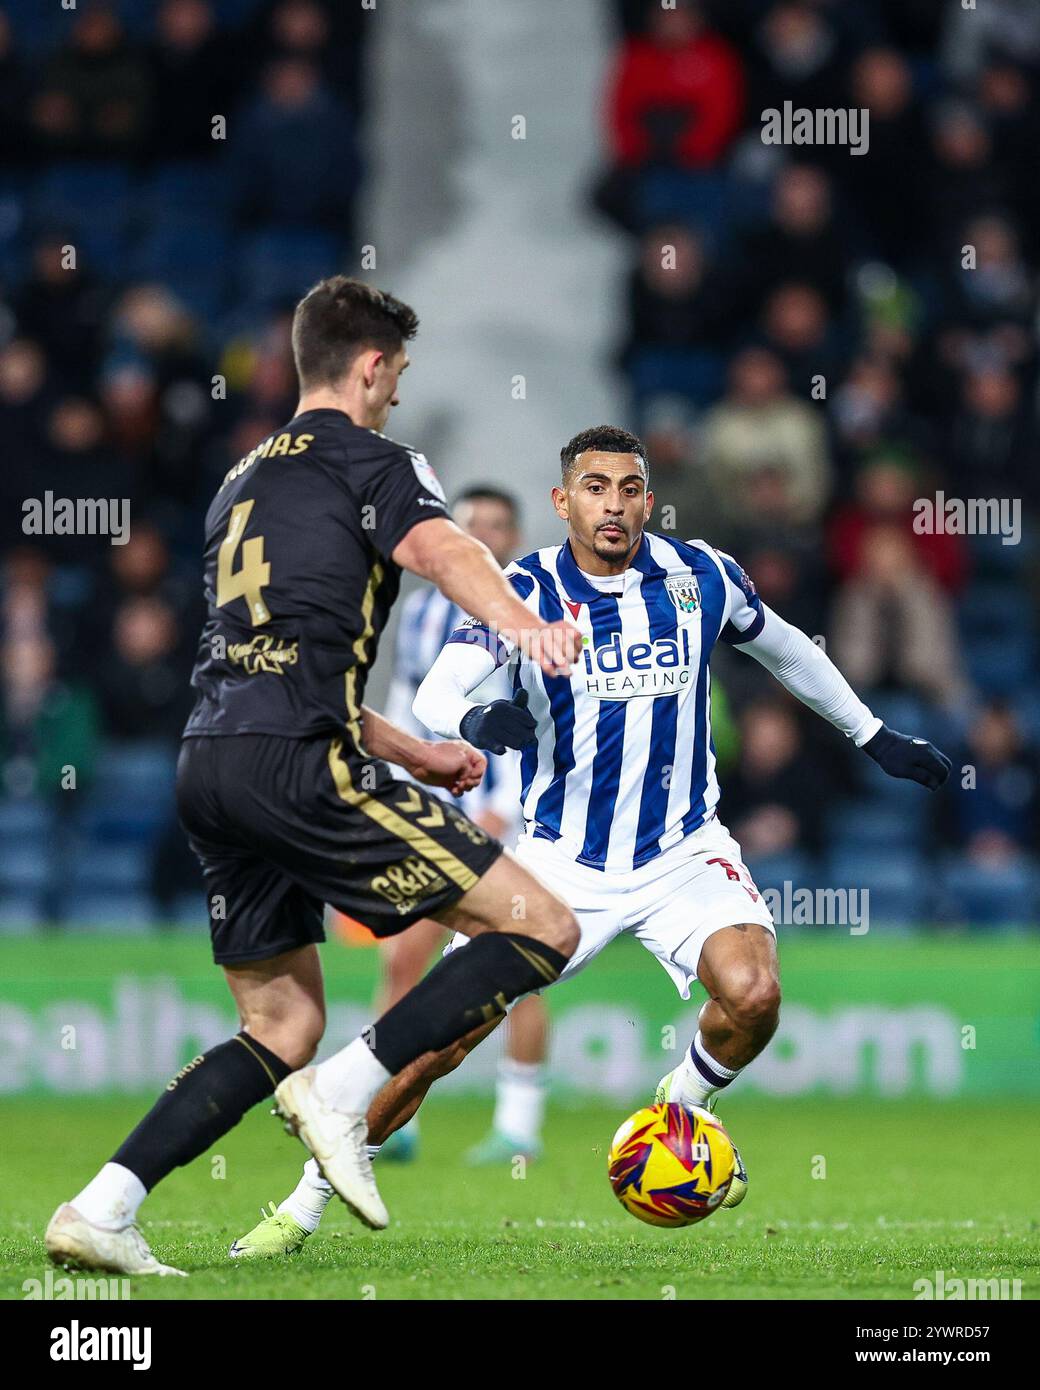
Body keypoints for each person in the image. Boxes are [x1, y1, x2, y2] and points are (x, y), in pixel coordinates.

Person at [229, 423, 951, 1256]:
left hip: (684, 851)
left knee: (753, 996)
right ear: (563, 500)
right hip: (559, 865)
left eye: (630, 488)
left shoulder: (700, 575)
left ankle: (681, 1110)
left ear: (649, 497)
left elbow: (786, 647)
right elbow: (435, 695)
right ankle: (306, 1204)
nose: (614, 505)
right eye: (596, 488)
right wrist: (478, 715)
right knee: (436, 1044)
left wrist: (871, 734)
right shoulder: (521, 588)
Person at [44, 276, 582, 1277]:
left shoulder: (236, 482)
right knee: (541, 927)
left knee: (281, 1020)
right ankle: (342, 1094)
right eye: (396, 376)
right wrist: (524, 625)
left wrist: (414, 751)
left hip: (211, 761)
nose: (395, 396)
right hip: (296, 763)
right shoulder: (374, 462)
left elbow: (278, 660)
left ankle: (102, 1204)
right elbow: (440, 545)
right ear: (371, 366)